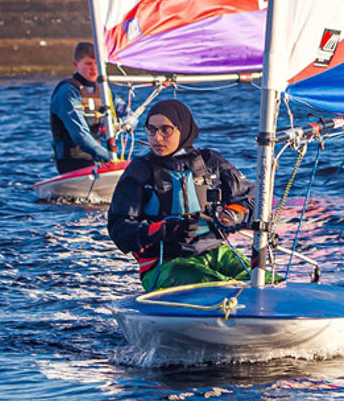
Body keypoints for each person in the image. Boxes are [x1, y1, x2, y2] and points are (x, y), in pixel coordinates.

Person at [107, 100, 258, 290]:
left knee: (266, 281)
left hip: (215, 252)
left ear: (183, 129)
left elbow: (251, 198)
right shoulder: (139, 171)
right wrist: (163, 230)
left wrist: (233, 213)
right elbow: (118, 228)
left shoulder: (211, 162)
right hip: (164, 264)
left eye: (165, 130)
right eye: (151, 130)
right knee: (216, 286)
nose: (157, 138)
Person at [49, 41, 113, 174]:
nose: (94, 69)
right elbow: (80, 135)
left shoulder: (103, 91)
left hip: (97, 160)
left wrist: (126, 123)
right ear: (76, 65)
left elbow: (125, 112)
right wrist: (110, 157)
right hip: (72, 162)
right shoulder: (67, 91)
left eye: (97, 64)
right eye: (89, 64)